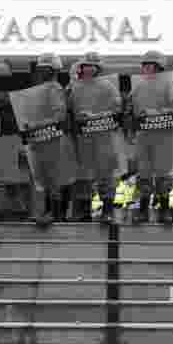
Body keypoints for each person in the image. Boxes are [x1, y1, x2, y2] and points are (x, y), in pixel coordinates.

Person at [17, 53, 78, 227]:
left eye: (43, 69)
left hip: (55, 138)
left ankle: (56, 214)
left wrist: (36, 124)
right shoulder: (43, 90)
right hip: (44, 138)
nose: (40, 72)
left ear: (52, 71)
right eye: (39, 69)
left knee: (55, 176)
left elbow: (59, 115)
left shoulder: (54, 88)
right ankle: (50, 212)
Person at [129, 51, 173, 225]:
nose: (146, 68)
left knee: (163, 173)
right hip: (144, 136)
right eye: (144, 65)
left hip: (164, 135)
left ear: (159, 67)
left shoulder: (170, 84)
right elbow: (132, 110)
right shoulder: (138, 86)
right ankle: (143, 210)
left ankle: (165, 209)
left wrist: (153, 113)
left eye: (150, 65)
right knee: (144, 173)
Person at [68, 52, 124, 225]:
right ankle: (83, 213)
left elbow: (116, 110)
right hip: (83, 139)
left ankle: (107, 211)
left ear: (97, 68)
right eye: (85, 66)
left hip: (103, 137)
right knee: (83, 176)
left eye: (91, 66)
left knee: (105, 175)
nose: (88, 69)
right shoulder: (74, 88)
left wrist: (94, 116)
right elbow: (66, 108)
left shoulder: (107, 87)